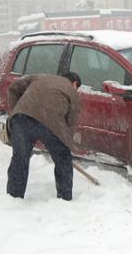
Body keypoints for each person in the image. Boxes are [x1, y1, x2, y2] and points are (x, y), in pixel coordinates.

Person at [6, 72, 81, 201]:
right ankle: (65, 198)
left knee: (20, 158)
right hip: (51, 123)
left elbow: (13, 88)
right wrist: (68, 146)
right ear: (74, 83)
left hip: (21, 119)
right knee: (63, 159)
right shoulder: (72, 91)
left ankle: (14, 197)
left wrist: (17, 110)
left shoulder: (40, 76)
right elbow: (71, 122)